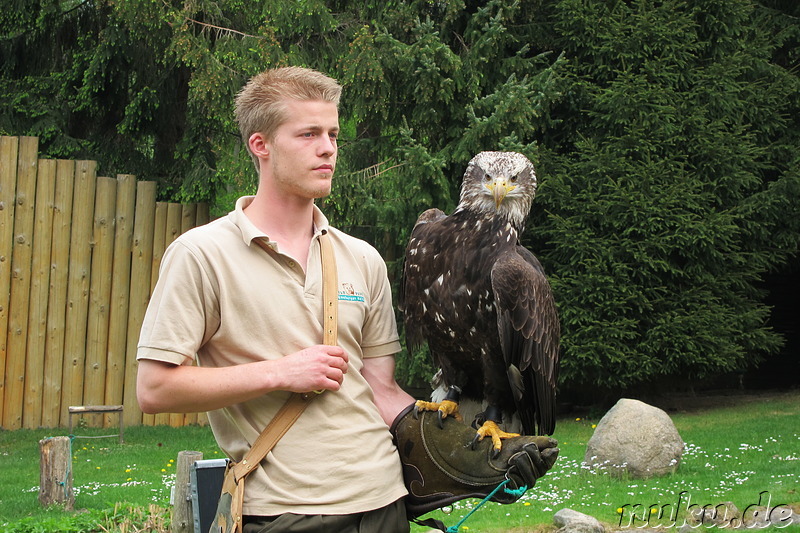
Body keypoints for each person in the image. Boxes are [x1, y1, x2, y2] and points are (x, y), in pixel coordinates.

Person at [137, 66, 558, 533]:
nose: (328, 148)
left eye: (333, 133)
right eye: (309, 134)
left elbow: (378, 389)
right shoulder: (201, 255)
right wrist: (282, 371)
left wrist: (464, 451)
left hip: (385, 503)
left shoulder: (362, 258)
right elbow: (155, 389)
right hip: (283, 510)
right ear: (261, 145)